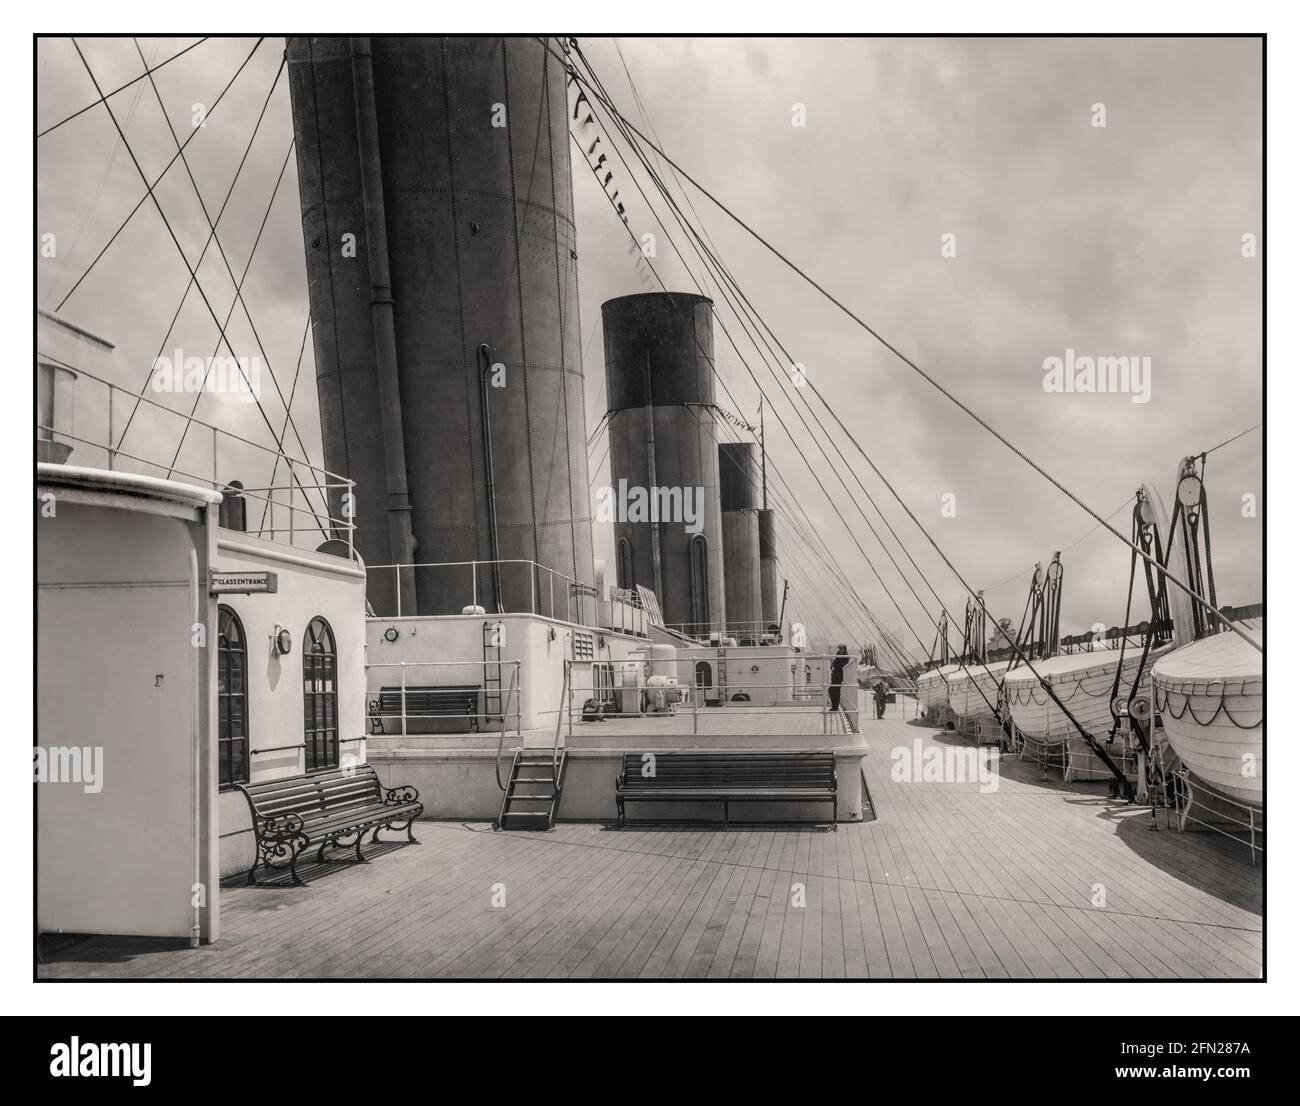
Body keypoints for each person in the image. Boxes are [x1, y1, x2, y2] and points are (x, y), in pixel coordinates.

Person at [828, 644, 850, 712]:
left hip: (840, 675)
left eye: (840, 648)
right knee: (831, 691)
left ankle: (835, 707)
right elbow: (835, 661)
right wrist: (832, 665)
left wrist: (835, 667)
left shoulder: (846, 656)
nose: (839, 649)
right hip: (835, 674)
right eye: (839, 648)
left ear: (844, 649)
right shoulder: (838, 653)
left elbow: (843, 665)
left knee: (836, 691)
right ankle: (834, 706)